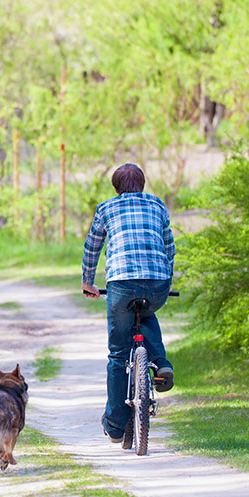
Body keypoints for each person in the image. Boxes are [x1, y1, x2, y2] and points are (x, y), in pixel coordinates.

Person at [82, 163, 175, 444]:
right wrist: (166, 279)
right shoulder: (158, 205)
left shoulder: (106, 208)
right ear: (143, 185)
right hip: (157, 283)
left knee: (119, 353)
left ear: (116, 188)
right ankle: (161, 363)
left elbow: (92, 246)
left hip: (121, 284)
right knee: (145, 314)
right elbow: (169, 245)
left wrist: (88, 282)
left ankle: (115, 425)